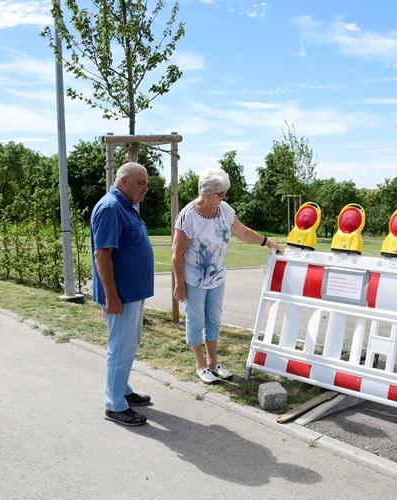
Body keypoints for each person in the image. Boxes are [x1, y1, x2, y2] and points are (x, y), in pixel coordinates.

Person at [172, 168, 282, 384]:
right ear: (208, 193)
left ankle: (213, 363)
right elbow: (177, 253)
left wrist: (267, 242)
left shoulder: (224, 210)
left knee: (213, 318)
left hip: (217, 277)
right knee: (196, 319)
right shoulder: (188, 216)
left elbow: (242, 232)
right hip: (194, 278)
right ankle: (200, 365)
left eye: (224, 194)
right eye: (221, 194)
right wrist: (179, 283)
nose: (224, 198)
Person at [91, 162, 154, 427]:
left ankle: (122, 390)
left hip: (132, 293)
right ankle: (114, 405)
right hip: (121, 296)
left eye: (147, 184)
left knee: (129, 345)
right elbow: (102, 255)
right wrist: (111, 296)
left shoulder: (125, 206)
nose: (146, 189)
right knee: (119, 348)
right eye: (142, 183)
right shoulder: (110, 208)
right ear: (124, 181)